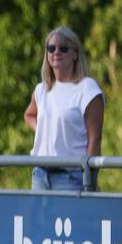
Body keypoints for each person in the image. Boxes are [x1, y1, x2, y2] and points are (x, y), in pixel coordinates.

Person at [23, 26, 104, 191]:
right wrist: (45, 129)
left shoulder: (87, 88)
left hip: (71, 176)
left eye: (63, 48)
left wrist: (89, 179)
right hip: (40, 174)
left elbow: (95, 139)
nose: (56, 52)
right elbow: (29, 115)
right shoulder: (42, 89)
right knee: (38, 218)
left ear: (75, 54)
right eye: (51, 48)